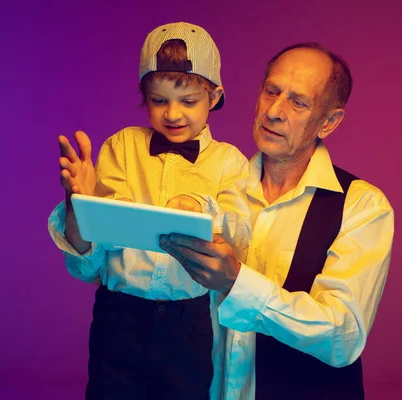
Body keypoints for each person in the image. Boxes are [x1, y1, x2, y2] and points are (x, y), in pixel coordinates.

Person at [159, 42, 395, 399]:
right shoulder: (211, 192)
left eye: (298, 102)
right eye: (271, 92)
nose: (274, 111)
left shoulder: (363, 206)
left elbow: (342, 336)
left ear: (329, 122)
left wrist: (235, 282)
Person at [47, 22, 251, 399]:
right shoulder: (121, 148)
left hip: (188, 323)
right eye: (159, 100)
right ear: (144, 95)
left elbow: (240, 234)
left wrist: (201, 210)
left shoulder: (229, 162)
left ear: (215, 96)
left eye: (188, 101)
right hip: (119, 317)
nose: (173, 114)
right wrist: (80, 206)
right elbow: (87, 267)